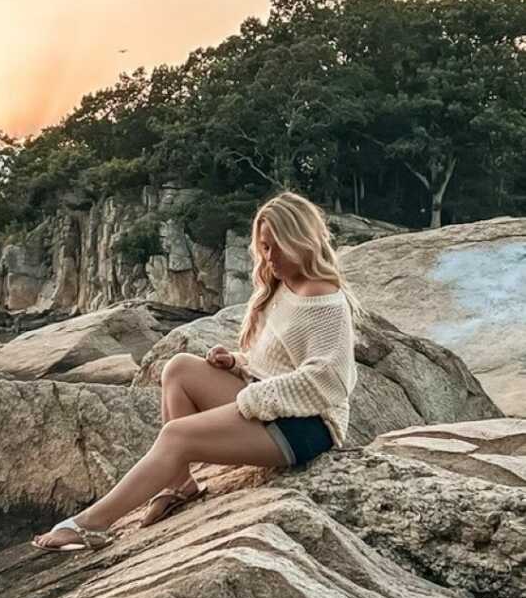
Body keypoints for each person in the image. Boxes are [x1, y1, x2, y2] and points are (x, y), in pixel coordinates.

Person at [32, 190, 364, 552]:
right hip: (271, 403)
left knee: (177, 436)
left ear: (302, 241)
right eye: (264, 247)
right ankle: (179, 485)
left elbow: (327, 381)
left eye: (276, 246)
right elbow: (280, 359)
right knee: (179, 369)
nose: (269, 256)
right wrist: (238, 363)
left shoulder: (323, 297)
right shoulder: (284, 285)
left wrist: (250, 400)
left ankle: (90, 525)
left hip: (307, 426)